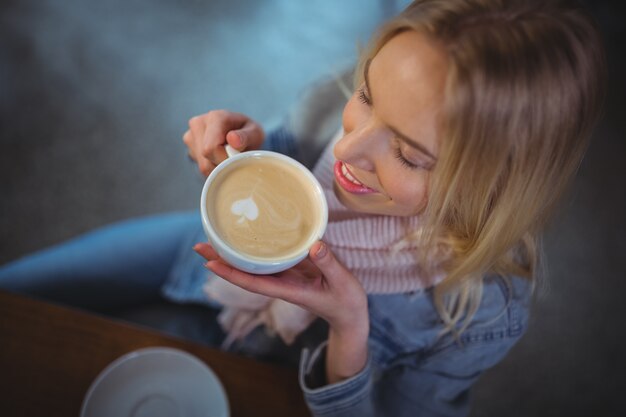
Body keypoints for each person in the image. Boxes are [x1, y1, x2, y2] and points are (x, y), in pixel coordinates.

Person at [0, 0, 606, 415]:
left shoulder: (474, 315)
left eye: (411, 155)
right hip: (197, 255)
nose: (346, 148)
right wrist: (246, 153)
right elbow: (282, 163)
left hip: (272, 359)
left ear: (493, 188)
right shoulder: (328, 105)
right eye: (367, 97)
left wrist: (348, 333)